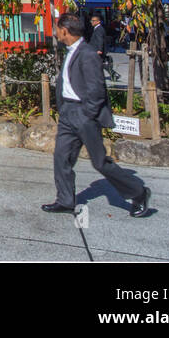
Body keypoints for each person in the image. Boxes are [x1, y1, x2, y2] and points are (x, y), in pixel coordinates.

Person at [43, 13, 151, 218]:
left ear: (64, 31)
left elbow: (97, 89)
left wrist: (87, 114)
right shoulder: (71, 51)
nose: (55, 33)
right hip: (68, 113)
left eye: (57, 29)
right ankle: (65, 200)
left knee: (100, 162)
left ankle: (139, 192)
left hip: (84, 114)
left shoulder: (87, 53)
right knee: (61, 157)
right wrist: (64, 109)